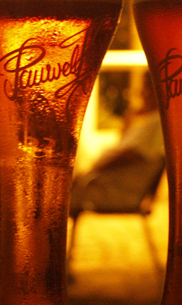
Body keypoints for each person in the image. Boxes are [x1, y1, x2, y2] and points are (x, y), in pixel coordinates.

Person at [70, 80, 165, 216]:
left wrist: (96, 168)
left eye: (145, 90)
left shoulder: (157, 121)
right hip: (105, 182)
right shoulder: (146, 121)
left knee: (62, 196)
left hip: (115, 190)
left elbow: (132, 153)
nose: (141, 95)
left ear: (154, 93)